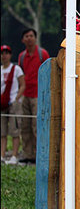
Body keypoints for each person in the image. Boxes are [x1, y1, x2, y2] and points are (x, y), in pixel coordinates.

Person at [17, 28, 49, 165]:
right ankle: (27, 154)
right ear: (23, 40)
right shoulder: (22, 56)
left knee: (38, 125)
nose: (29, 38)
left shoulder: (43, 54)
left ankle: (39, 154)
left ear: (35, 38)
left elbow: (49, 72)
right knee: (25, 126)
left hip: (39, 95)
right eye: (26, 36)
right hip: (25, 94)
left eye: (31, 36)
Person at [1, 44, 24, 165]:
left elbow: (22, 84)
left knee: (15, 130)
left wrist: (17, 98)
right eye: (2, 53)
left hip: (14, 102)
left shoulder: (16, 69)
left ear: (10, 55)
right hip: (2, 103)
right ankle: (2, 154)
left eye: (6, 53)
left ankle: (14, 155)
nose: (4, 55)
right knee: (2, 131)